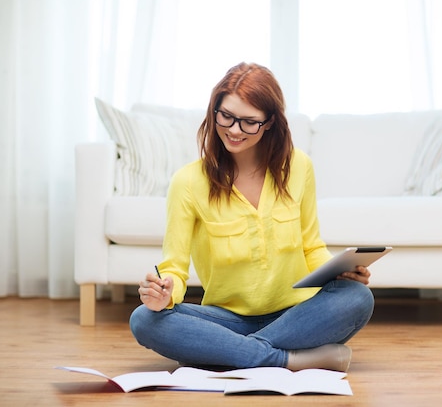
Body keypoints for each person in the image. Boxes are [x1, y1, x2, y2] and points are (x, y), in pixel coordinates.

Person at [130, 62, 375, 372]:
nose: (234, 130)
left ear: (270, 122)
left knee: (357, 297)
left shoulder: (299, 167)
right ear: (213, 112)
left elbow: (311, 246)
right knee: (144, 319)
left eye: (248, 122)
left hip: (296, 315)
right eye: (226, 116)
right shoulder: (188, 182)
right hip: (226, 319)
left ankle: (224, 352)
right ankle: (285, 359)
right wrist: (164, 292)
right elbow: (174, 268)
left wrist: (338, 272)